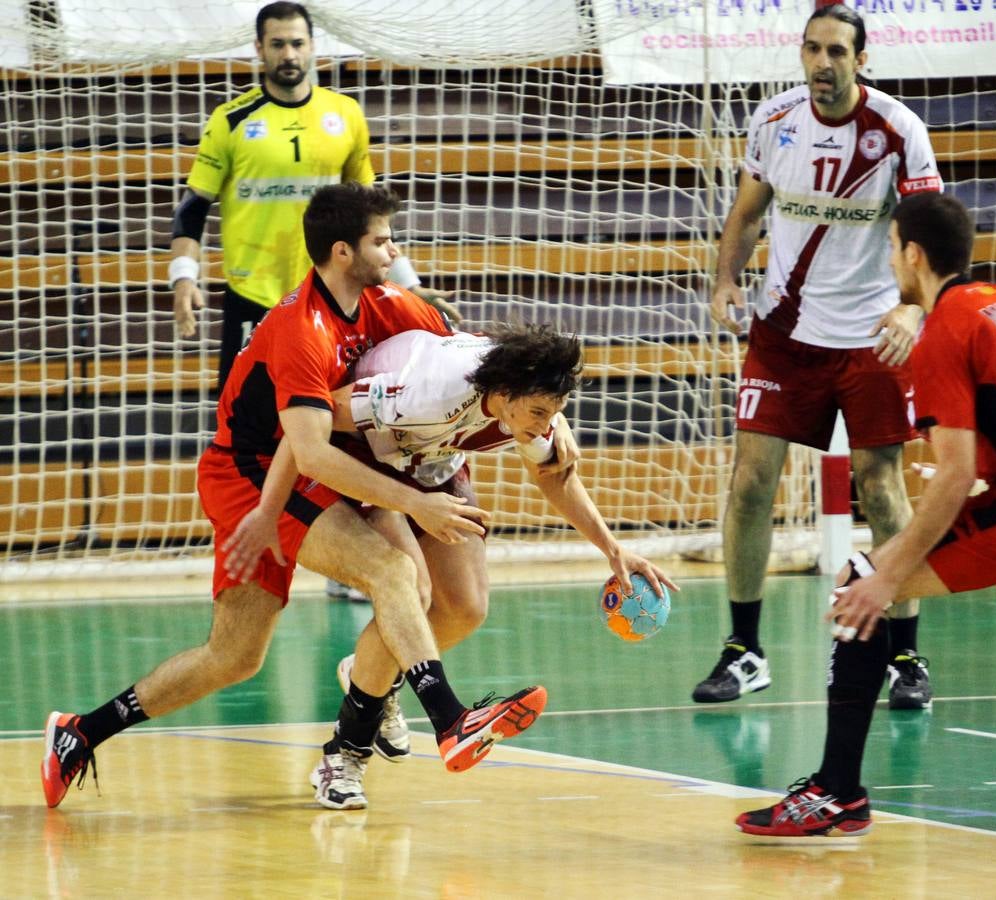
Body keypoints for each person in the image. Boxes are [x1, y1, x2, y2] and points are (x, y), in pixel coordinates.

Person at [42, 182, 547, 814]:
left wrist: (549, 425)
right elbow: (308, 454)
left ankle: (86, 732)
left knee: (339, 613)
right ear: (342, 252)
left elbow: (485, 366)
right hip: (252, 475)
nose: (394, 252)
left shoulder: (394, 306)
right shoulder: (300, 329)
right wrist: (415, 503)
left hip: (324, 464)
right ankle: (448, 719)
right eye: (382, 241)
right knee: (299, 623)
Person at [735, 191, 996, 838]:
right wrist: (979, 477)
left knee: (859, 586)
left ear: (914, 255)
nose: (889, 259)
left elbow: (953, 476)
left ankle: (836, 792)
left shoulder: (943, 331)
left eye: (892, 247)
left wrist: (887, 575)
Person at [224, 324, 679, 770]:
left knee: (466, 606)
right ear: (505, 393)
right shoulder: (423, 391)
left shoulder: (528, 405)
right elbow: (313, 428)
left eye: (553, 414)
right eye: (541, 413)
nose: (546, 425)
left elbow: (554, 477)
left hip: (432, 459)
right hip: (365, 455)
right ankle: (347, 755)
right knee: (410, 590)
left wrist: (613, 549)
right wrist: (274, 508)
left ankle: (371, 671)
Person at [169, 2, 459, 603]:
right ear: (259, 49)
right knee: (254, 433)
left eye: (298, 42)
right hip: (258, 300)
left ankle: (352, 558)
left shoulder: (344, 115)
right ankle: (254, 548)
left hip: (335, 305)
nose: (289, 54)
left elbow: (369, 216)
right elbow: (193, 208)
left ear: (312, 46)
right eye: (277, 43)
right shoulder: (232, 120)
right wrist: (184, 276)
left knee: (345, 424)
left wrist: (408, 284)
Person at [696, 3, 941, 711]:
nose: (822, 63)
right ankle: (744, 651)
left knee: (881, 489)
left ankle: (905, 654)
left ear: (861, 60)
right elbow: (747, 213)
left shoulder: (897, 129)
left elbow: (930, 233)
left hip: (872, 336)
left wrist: (913, 307)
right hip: (784, 332)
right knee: (750, 482)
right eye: (812, 49)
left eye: (836, 51)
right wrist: (724, 279)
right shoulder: (774, 120)